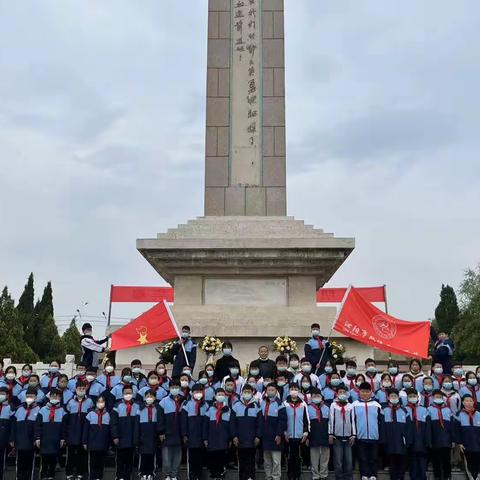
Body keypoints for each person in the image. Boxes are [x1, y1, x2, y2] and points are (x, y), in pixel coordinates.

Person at [34, 388, 67, 480]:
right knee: (44, 459)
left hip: (56, 439)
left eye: (57, 396)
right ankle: (43, 475)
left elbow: (64, 427)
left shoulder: (62, 411)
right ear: (49, 397)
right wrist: (37, 437)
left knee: (53, 458)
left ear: (60, 397)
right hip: (44, 438)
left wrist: (62, 438)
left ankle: (51, 475)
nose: (55, 397)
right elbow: (38, 425)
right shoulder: (42, 410)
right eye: (53, 396)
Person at [231, 385, 263, 480]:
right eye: (245, 391)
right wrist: (234, 436)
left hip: (252, 440)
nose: (247, 393)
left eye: (249, 391)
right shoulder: (236, 405)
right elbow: (232, 423)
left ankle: (250, 477)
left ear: (252, 393)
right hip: (240, 440)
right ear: (242, 392)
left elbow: (260, 423)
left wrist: (258, 436)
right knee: (241, 461)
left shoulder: (257, 406)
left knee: (251, 461)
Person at [351, 382, 382, 480]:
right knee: (362, 458)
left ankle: (373, 475)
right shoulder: (354, 405)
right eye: (363, 391)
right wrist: (354, 434)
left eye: (367, 391)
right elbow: (352, 421)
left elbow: (380, 421)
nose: (365, 393)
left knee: (373, 458)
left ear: (371, 392)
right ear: (359, 392)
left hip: (374, 437)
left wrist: (380, 435)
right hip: (361, 437)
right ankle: (364, 474)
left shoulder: (377, 405)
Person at [64, 380, 94, 480]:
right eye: (79, 389)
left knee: (82, 455)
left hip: (83, 432)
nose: (81, 390)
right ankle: (69, 473)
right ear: (75, 389)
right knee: (71, 455)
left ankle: (81, 473)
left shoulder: (90, 402)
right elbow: (66, 419)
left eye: (83, 389)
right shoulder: (70, 402)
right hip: (72, 433)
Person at [111, 384, 140, 480]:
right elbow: (114, 423)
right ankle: (119, 477)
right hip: (120, 438)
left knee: (129, 460)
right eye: (126, 393)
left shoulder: (137, 406)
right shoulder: (117, 406)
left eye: (130, 393)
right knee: (119, 459)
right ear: (122, 394)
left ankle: (128, 477)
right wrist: (115, 436)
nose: (128, 394)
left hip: (132, 438)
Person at [10, 387, 40, 480]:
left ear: (36, 397)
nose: (29, 398)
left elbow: (39, 427)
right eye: (27, 396)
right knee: (19, 463)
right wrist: (12, 439)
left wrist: (36, 438)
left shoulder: (39, 409)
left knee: (29, 464)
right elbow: (14, 426)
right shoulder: (19, 409)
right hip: (19, 441)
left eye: (31, 396)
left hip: (31, 442)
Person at [381, 389, 411, 480]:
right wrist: (383, 439)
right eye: (391, 396)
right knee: (392, 462)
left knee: (401, 461)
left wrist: (407, 440)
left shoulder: (404, 411)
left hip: (401, 441)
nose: (393, 398)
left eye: (395, 396)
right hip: (389, 440)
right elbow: (382, 426)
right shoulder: (384, 410)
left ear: (398, 398)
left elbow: (408, 427)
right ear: (388, 398)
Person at [203, 387, 232, 480]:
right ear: (215, 396)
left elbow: (231, 426)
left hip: (223, 440)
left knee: (222, 459)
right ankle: (214, 476)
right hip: (212, 439)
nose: (220, 396)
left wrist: (231, 438)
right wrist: (205, 438)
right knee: (213, 460)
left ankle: (221, 475)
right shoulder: (210, 409)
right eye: (218, 394)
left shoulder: (228, 410)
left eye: (222, 395)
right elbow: (205, 425)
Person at [181, 384, 208, 480]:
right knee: (191, 459)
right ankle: (192, 477)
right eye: (196, 392)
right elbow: (183, 421)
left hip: (201, 437)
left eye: (200, 392)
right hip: (191, 437)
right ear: (192, 393)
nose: (198, 394)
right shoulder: (186, 404)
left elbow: (207, 422)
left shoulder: (205, 405)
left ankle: (198, 476)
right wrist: (184, 434)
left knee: (199, 459)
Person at [329, 385, 356, 480]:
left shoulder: (350, 406)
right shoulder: (333, 405)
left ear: (347, 394)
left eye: (343, 392)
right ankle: (339, 478)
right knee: (338, 461)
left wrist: (353, 434)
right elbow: (331, 420)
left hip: (349, 437)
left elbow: (353, 420)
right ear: (336, 394)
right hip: (337, 437)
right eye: (340, 392)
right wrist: (331, 434)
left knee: (348, 461)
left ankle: (348, 477)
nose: (342, 394)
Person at [158, 379, 183, 480]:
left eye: (177, 387)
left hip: (179, 433)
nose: (175, 389)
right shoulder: (163, 401)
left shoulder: (183, 400)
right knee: (166, 457)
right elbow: (160, 418)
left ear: (180, 388)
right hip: (167, 433)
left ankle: (174, 474)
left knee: (177, 456)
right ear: (169, 388)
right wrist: (161, 431)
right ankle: (167, 475)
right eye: (173, 387)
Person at [261, 383, 286, 480]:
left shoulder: (280, 404)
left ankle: (276, 477)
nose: (270, 392)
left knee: (276, 461)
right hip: (265, 436)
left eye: (272, 390)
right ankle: (268, 477)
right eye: (268, 390)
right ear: (266, 391)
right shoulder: (262, 402)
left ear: (276, 391)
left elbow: (282, 421)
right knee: (267, 460)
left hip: (276, 436)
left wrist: (279, 434)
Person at [404, 388, 430, 480]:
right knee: (413, 464)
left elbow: (427, 428)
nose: (412, 398)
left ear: (418, 397)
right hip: (410, 442)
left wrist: (427, 441)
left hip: (422, 441)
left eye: (414, 396)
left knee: (422, 464)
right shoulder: (404, 410)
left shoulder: (424, 410)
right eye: (410, 396)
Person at [284, 383, 308, 480]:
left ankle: (297, 476)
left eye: (295, 389)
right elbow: (282, 419)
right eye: (292, 388)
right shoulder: (285, 404)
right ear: (289, 390)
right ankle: (290, 475)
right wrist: (284, 432)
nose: (294, 390)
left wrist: (305, 432)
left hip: (299, 436)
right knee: (290, 457)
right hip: (288, 436)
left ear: (298, 391)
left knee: (298, 457)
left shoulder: (303, 404)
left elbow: (306, 419)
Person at [83, 395, 110, 480]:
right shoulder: (90, 414)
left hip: (103, 443)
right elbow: (85, 429)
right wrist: (84, 442)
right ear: (96, 403)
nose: (100, 403)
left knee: (101, 463)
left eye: (102, 402)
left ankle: (99, 477)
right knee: (92, 463)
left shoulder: (108, 414)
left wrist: (108, 444)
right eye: (99, 402)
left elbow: (109, 431)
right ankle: (92, 477)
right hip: (92, 443)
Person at [428, 389, 453, 480]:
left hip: (446, 439)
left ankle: (448, 476)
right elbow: (428, 427)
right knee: (436, 460)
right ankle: (437, 476)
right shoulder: (429, 409)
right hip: (435, 439)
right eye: (436, 397)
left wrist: (452, 439)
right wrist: (429, 440)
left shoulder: (448, 410)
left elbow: (451, 427)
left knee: (447, 460)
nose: (438, 398)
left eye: (440, 397)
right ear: (432, 398)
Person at [135, 389, 160, 480]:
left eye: (151, 396)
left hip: (153, 436)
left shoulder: (157, 409)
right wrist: (137, 438)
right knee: (143, 456)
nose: (149, 398)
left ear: (155, 398)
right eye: (147, 396)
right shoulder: (140, 409)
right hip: (143, 437)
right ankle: (142, 473)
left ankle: (151, 473)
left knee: (152, 456)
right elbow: (137, 425)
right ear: (144, 398)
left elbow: (159, 424)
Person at [454, 394, 480, 479]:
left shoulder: (478, 414)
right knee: (468, 464)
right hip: (466, 445)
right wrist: (459, 442)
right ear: (463, 402)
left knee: (478, 464)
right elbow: (457, 430)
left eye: (471, 401)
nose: (469, 403)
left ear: (473, 402)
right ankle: (471, 478)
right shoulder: (459, 415)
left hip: (478, 444)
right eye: (467, 401)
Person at [307, 388, 330, 480]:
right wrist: (308, 437)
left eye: (318, 396)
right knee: (314, 457)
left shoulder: (327, 407)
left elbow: (330, 422)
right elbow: (307, 423)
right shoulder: (308, 408)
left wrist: (330, 434)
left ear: (321, 397)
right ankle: (315, 475)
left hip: (325, 434)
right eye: (314, 396)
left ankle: (324, 475)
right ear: (311, 397)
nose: (316, 397)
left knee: (325, 456)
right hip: (313, 435)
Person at [0, 386, 12, 480]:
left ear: (7, 395)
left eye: (3, 394)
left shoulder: (10, 407)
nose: (1, 395)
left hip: (3, 437)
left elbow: (12, 424)